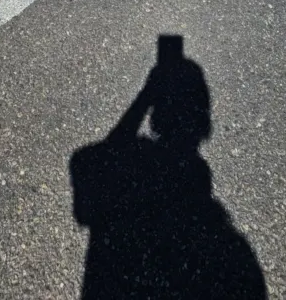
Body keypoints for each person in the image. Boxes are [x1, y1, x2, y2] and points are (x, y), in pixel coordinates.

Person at [70, 36, 267, 299]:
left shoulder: (134, 169)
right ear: (202, 121)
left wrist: (146, 96)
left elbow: (93, 161)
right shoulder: (230, 250)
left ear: (156, 114)